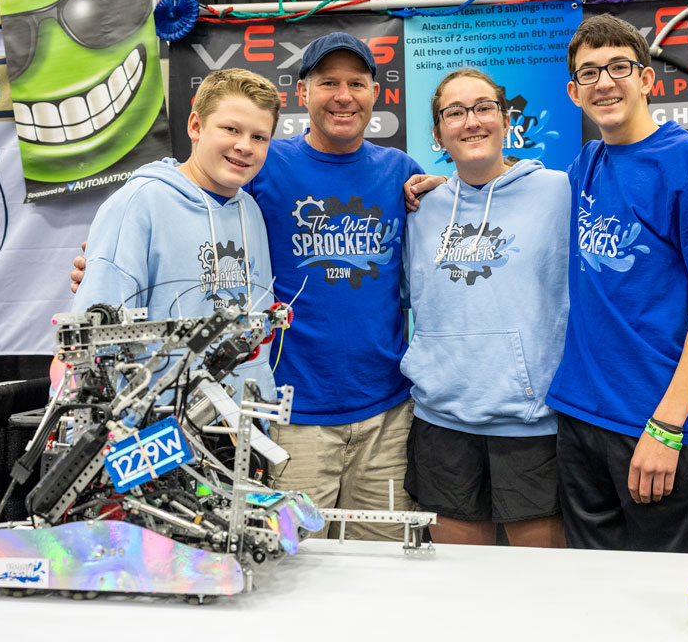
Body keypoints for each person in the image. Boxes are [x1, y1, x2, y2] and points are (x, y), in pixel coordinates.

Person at [546, 13, 688, 552]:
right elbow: (515, 192)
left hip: (657, 426)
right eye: (589, 73)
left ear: (647, 80)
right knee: (594, 600)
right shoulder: (586, 162)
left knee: (665, 607)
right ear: (574, 92)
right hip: (582, 416)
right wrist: (446, 186)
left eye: (619, 67)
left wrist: (666, 426)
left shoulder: (686, 159)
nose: (605, 82)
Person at [235, 33, 425, 540]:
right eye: (328, 83)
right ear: (304, 95)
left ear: (375, 94)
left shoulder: (401, 171)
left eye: (357, 83)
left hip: (388, 414)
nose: (344, 95)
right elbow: (197, 207)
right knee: (294, 571)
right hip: (294, 416)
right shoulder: (264, 163)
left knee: (383, 575)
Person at [401, 68, 569, 547]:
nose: (471, 121)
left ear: (504, 118)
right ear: (438, 133)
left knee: (541, 588)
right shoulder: (419, 207)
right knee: (458, 589)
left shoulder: (558, 190)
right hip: (442, 421)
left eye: (482, 108)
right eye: (454, 113)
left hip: (531, 422)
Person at [72, 68, 281, 401]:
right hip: (157, 432)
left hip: (238, 428)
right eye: (231, 129)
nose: (245, 146)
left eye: (259, 137)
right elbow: (93, 339)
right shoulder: (139, 204)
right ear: (196, 126)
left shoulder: (251, 211)